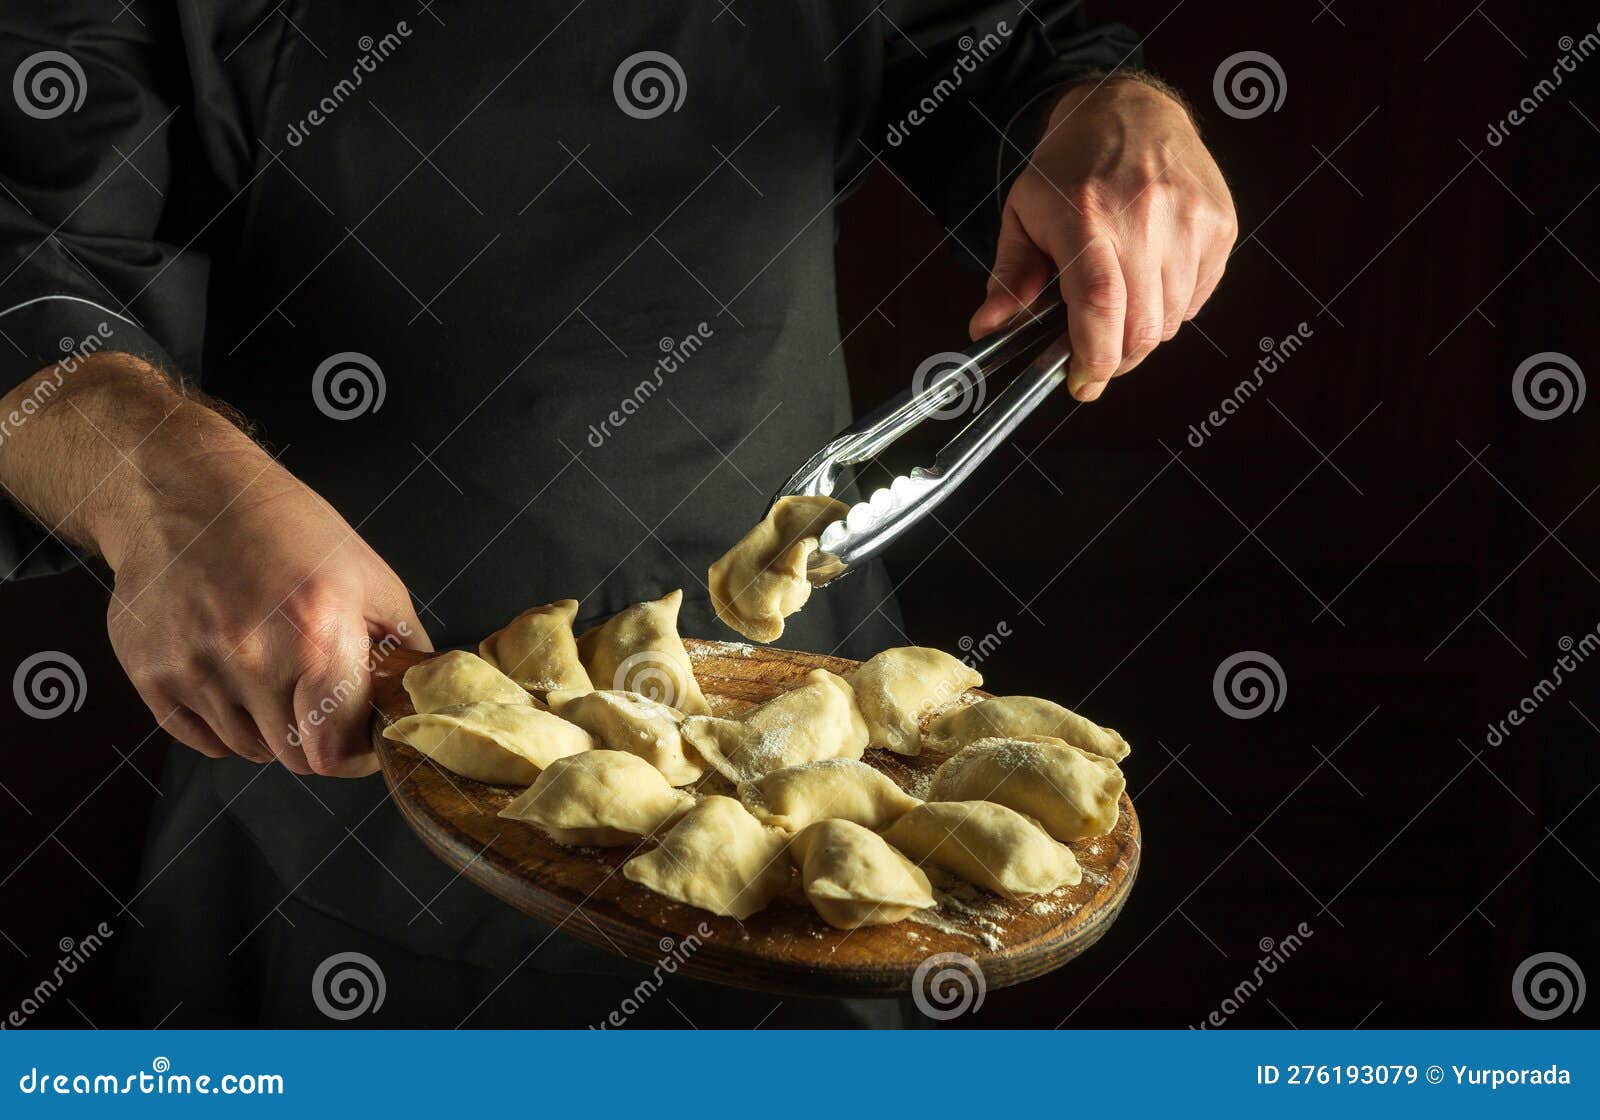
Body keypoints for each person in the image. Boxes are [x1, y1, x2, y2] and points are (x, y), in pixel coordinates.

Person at [0, 2, 1234, 1026]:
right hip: (323, 747)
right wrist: (160, 482)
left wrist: (1108, 114)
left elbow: (1005, 48)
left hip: (813, 761)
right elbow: (22, 244)